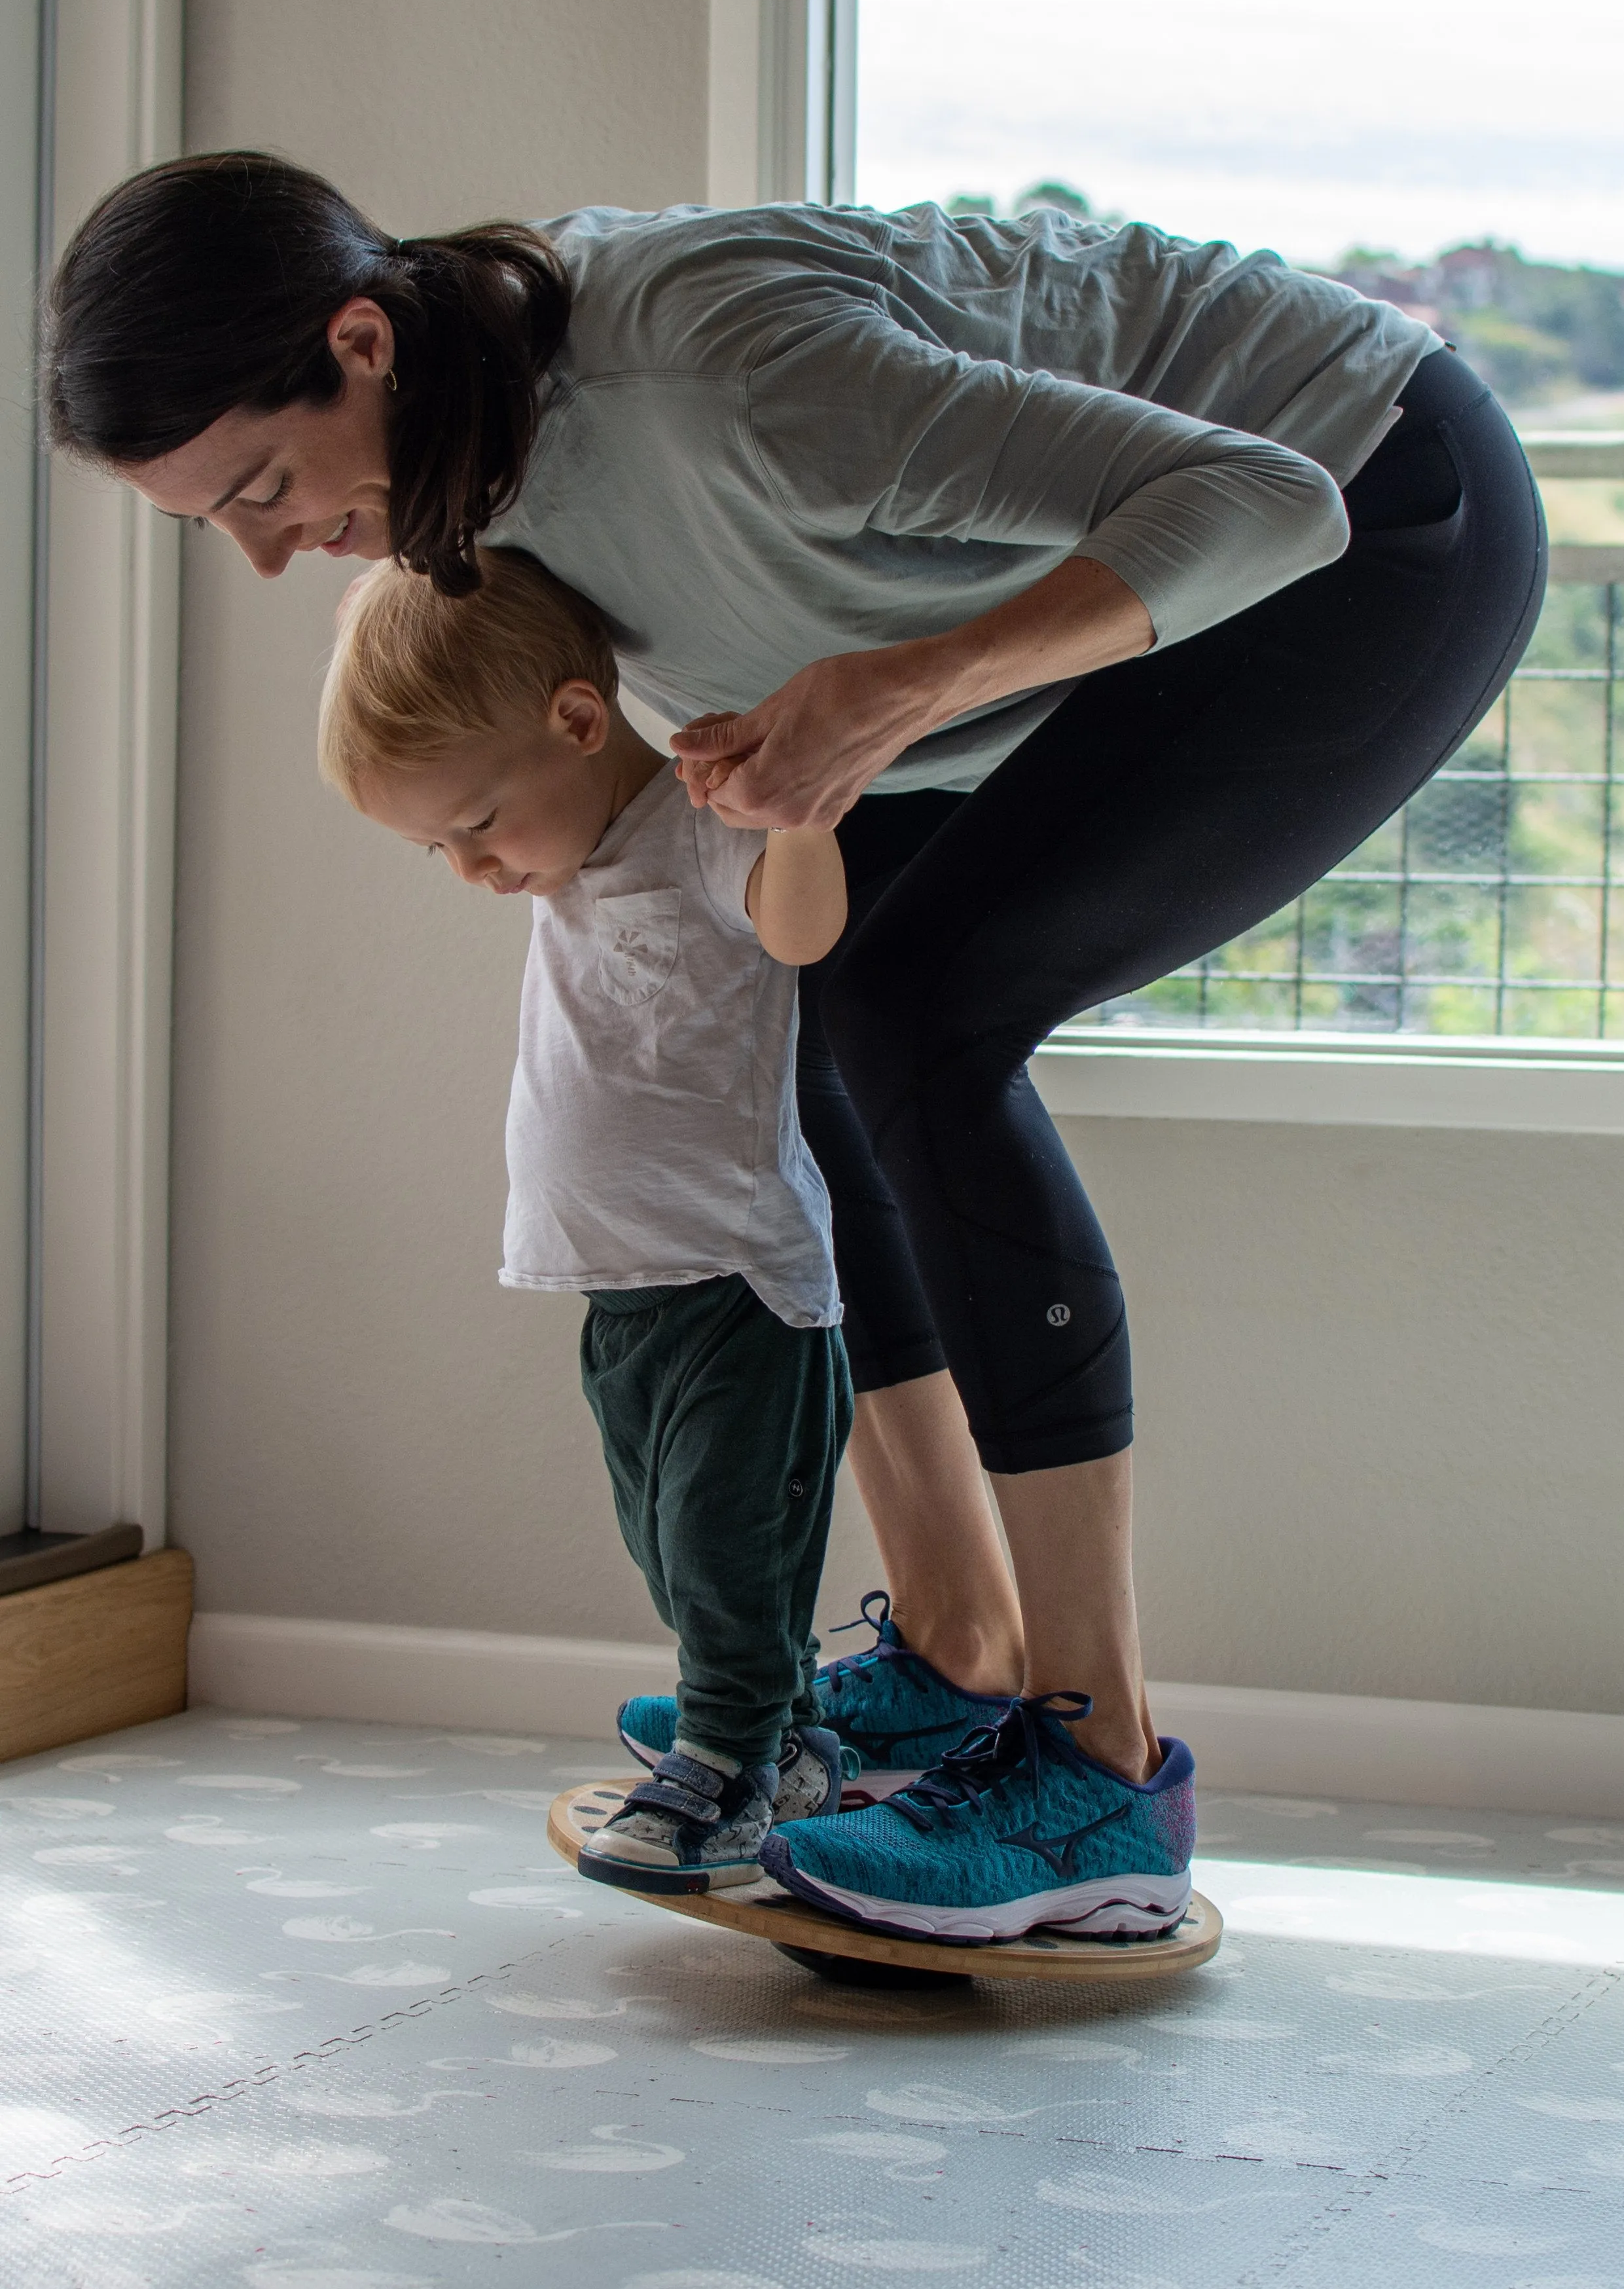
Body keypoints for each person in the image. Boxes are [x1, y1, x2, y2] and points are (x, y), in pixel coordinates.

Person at [46, 155, 1545, 1941]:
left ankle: (1101, 1781)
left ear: (360, 342)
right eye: (210, 519)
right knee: (824, 1017)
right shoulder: (463, 443)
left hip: (1369, 504)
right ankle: (954, 1649)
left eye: (267, 488)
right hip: (1160, 550)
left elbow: (1264, 496)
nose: (270, 550)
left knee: (923, 1013)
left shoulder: (725, 387)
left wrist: (905, 688)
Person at [316, 543, 854, 1894]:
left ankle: (728, 1753)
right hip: (619, 1289)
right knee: (670, 1545)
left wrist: (800, 812)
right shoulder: (565, 861)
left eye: (479, 826)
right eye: (438, 845)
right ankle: (777, 1732)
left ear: (575, 721)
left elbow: (798, 938)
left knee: (725, 1541)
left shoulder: (703, 821)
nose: (474, 870)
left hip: (738, 1279)